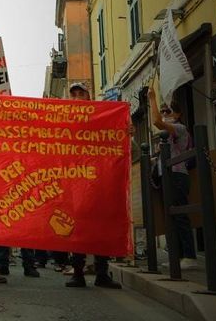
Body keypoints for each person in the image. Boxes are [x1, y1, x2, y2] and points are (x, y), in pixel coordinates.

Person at [65, 81, 123, 288]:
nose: (78, 97)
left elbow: (121, 146)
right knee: (78, 228)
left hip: (100, 182)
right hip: (76, 183)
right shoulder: (63, 121)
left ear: (89, 97)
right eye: (74, 94)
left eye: (81, 93)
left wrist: (126, 133)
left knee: (101, 226)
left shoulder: (103, 117)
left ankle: (101, 272)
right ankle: (78, 272)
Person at [147, 84, 197, 272]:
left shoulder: (179, 128)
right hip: (166, 176)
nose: (164, 114)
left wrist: (152, 98)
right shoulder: (165, 137)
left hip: (176, 175)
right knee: (170, 217)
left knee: (180, 215)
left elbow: (158, 122)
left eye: (168, 111)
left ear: (177, 115)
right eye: (162, 110)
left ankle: (190, 256)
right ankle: (177, 255)